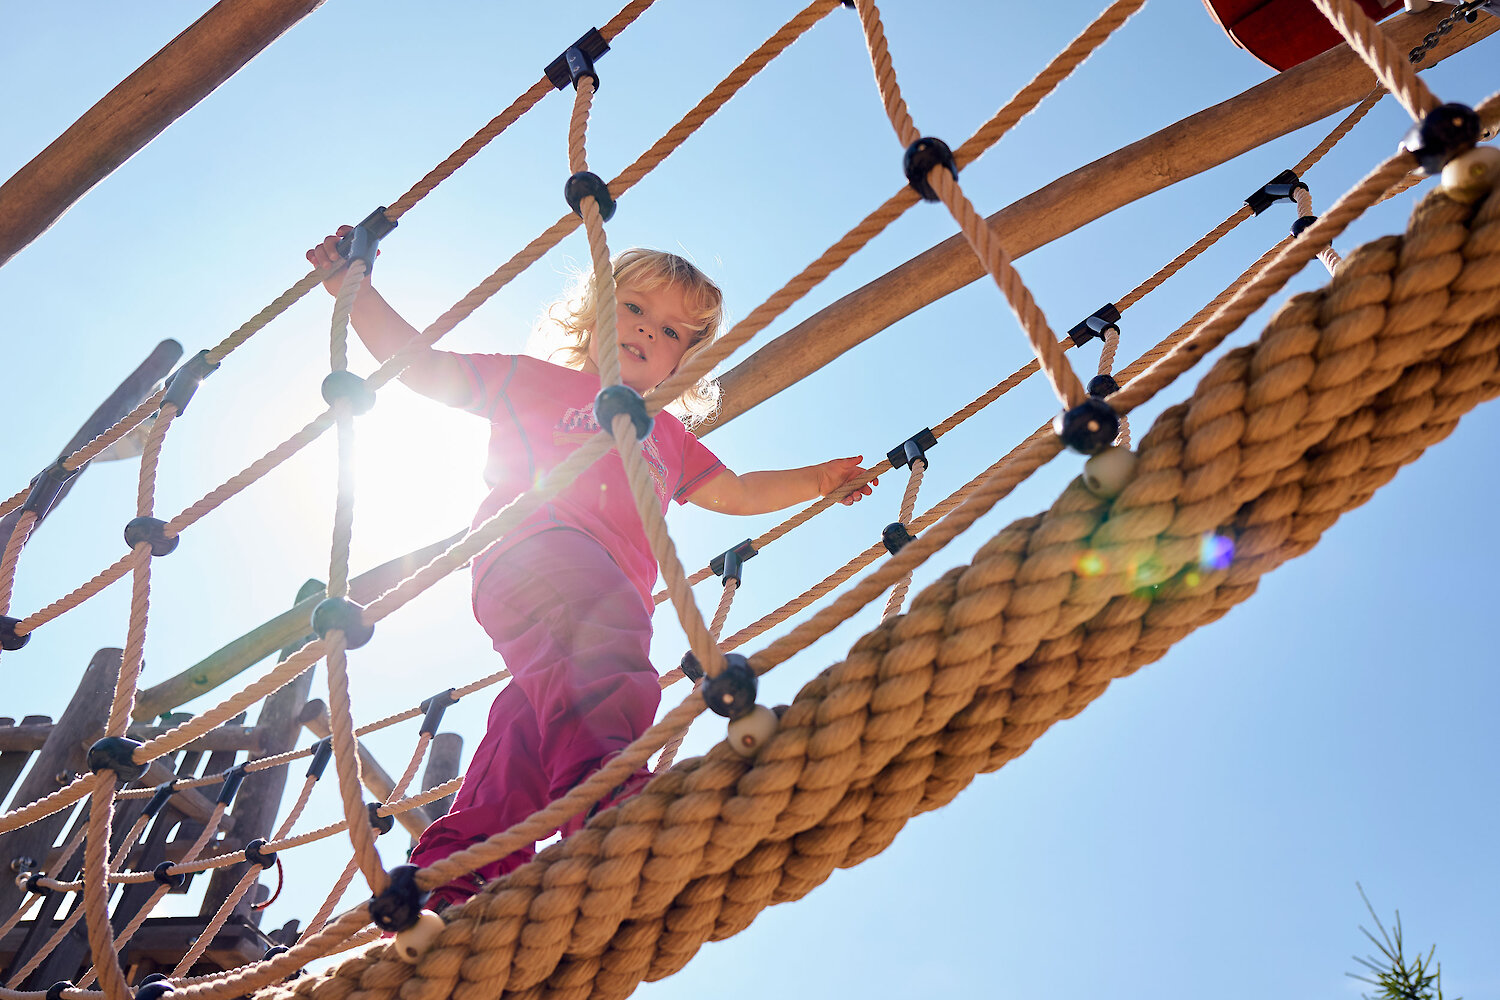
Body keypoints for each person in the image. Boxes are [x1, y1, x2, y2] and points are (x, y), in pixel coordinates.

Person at [307, 228, 875, 906]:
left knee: (530, 723)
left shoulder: (668, 436)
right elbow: (428, 369)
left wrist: (817, 480)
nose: (643, 330)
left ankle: (455, 877)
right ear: (595, 313)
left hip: (604, 593)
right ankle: (611, 809)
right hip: (537, 553)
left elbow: (741, 492)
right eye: (632, 308)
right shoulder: (540, 383)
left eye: (668, 330)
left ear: (682, 362)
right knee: (603, 670)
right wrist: (358, 294)